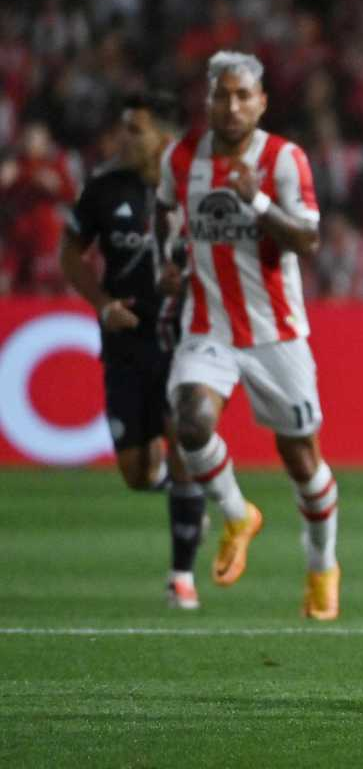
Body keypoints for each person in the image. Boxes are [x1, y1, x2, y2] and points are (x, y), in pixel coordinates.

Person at [156, 51, 341, 620]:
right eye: (222, 95)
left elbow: (307, 240)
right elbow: (166, 214)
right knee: (191, 421)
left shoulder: (284, 159)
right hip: (207, 324)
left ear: (261, 103)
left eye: (243, 96)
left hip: (275, 333)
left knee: (302, 460)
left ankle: (322, 566)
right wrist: (169, 263)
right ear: (207, 100)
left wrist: (254, 199)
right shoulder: (180, 157)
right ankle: (237, 514)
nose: (231, 106)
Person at [58, 91, 208, 610]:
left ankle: (181, 578)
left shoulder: (196, 186)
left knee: (183, 440)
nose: (124, 137)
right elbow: (70, 253)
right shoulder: (103, 188)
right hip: (125, 340)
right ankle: (186, 496)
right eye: (124, 126)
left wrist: (191, 284)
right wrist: (102, 305)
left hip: (185, 337)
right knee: (136, 473)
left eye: (135, 129)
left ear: (164, 137)